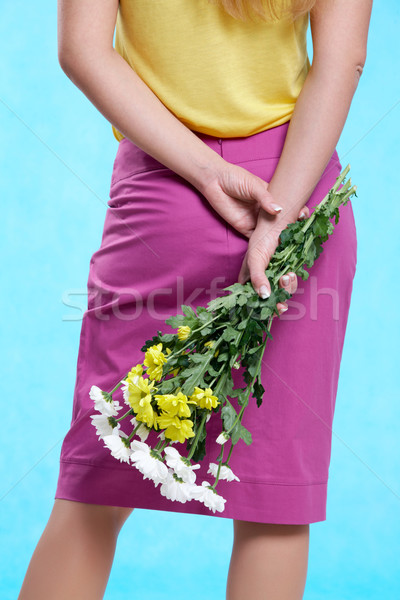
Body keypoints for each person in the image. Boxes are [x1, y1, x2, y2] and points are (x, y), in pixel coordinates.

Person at [18, 0, 372, 598]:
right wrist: (278, 220)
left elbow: (81, 49)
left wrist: (207, 173)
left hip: (164, 190)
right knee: (274, 508)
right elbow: (343, 58)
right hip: (298, 192)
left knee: (95, 489)